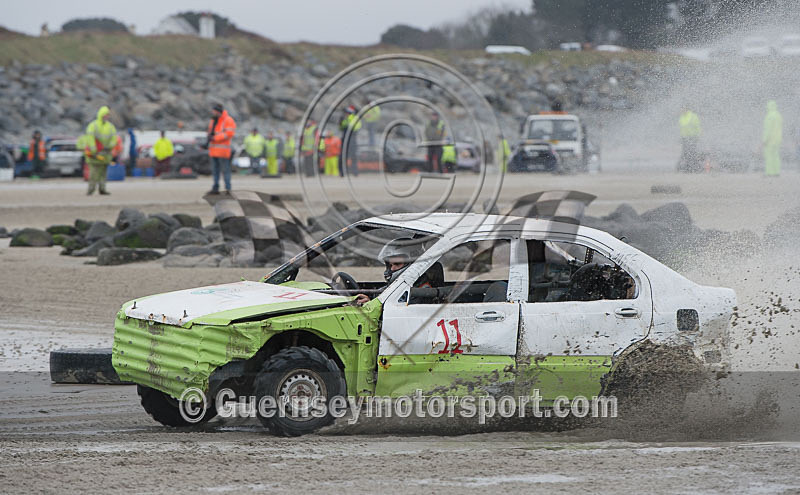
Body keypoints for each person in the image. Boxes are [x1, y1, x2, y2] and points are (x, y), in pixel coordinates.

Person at [354, 238, 439, 305]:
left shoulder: (421, 291)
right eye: (389, 265)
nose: (392, 269)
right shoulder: (400, 285)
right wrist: (369, 299)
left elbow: (401, 312)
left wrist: (372, 305)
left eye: (397, 264)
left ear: (413, 264)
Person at [83, 106, 117, 195]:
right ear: (101, 115)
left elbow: (114, 138)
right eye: (106, 115)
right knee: (93, 173)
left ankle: (102, 189)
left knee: (103, 173)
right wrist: (93, 149)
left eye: (108, 115)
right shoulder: (93, 125)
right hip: (95, 154)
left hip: (105, 154)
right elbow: (90, 137)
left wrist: (110, 146)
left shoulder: (110, 126)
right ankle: (91, 189)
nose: (107, 116)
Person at [206, 103, 236, 194]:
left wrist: (215, 138)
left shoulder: (228, 120)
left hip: (223, 152)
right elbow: (210, 132)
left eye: (214, 111)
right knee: (215, 171)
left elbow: (229, 134)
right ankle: (215, 188)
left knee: (225, 170)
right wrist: (208, 137)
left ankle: (228, 189)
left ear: (219, 112)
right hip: (214, 151)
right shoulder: (213, 121)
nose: (213, 113)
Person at [339, 105, 361, 176]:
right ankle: (343, 172)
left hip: (352, 138)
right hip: (345, 138)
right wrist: (341, 123)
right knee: (343, 156)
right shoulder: (344, 118)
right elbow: (341, 127)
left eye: (347, 112)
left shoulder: (354, 118)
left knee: (353, 156)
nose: (345, 113)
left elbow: (357, 127)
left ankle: (355, 172)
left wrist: (348, 126)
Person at [678, 107, 702, 172]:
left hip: (692, 137)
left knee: (692, 153)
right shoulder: (681, 117)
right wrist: (681, 137)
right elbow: (682, 128)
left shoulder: (693, 116)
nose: (681, 110)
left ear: (686, 109)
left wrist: (698, 136)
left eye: (682, 109)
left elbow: (698, 126)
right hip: (684, 138)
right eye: (681, 109)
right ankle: (688, 167)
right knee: (685, 153)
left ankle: (695, 167)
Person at [763, 100, 783, 177]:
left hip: (770, 140)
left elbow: (768, 129)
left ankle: (770, 172)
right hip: (778, 139)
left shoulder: (769, 116)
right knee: (776, 155)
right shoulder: (778, 115)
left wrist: (765, 140)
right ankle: (777, 172)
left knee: (769, 156)